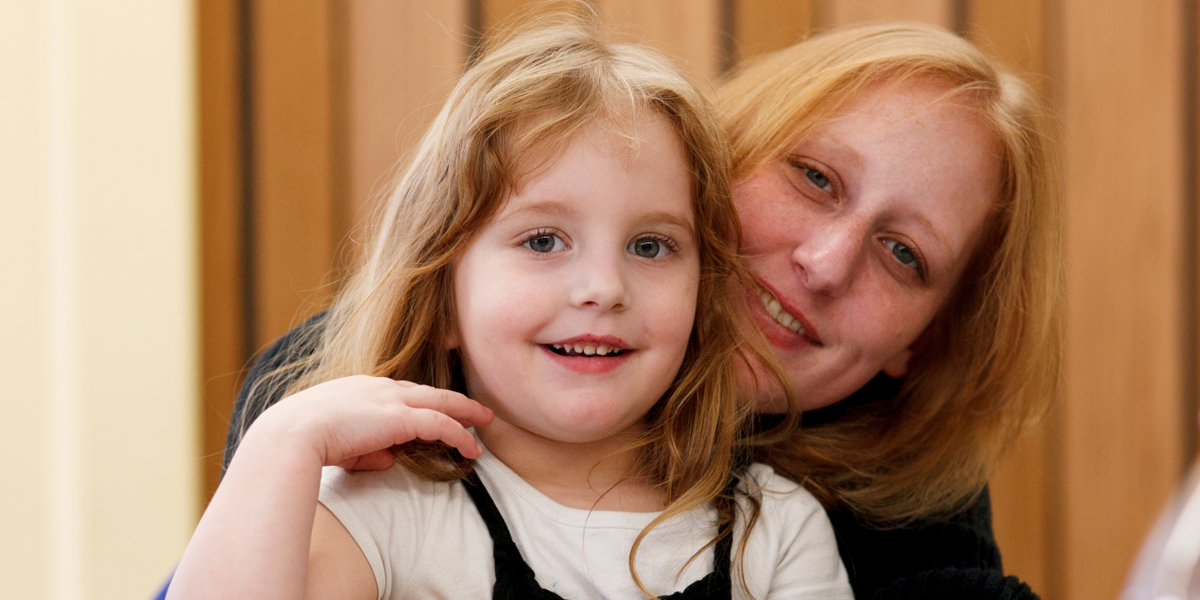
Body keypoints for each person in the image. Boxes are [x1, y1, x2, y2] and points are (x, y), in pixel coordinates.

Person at [218, 21, 1060, 600]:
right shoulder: (371, 456)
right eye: (814, 177)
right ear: (716, 171)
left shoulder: (792, 520)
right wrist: (283, 448)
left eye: (904, 254)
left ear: (925, 343)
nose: (827, 262)